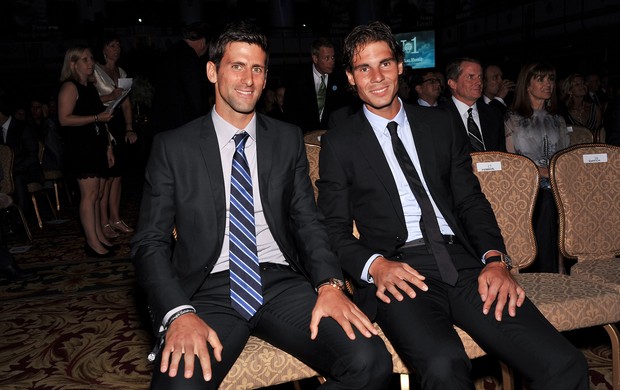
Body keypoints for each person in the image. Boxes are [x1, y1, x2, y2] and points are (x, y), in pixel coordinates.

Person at [317, 21, 588, 390]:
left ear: (399, 65)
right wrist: (375, 266)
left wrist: (495, 259)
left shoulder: (440, 123)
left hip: (463, 261)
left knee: (564, 363)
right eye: (364, 68)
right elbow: (332, 228)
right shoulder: (339, 143)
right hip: (400, 274)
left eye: (384, 63)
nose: (376, 76)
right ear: (350, 77)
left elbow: (470, 200)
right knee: (445, 367)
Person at [130, 21, 392, 390]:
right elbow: (149, 243)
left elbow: (308, 221)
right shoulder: (174, 147)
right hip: (208, 290)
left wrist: (330, 284)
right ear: (212, 71)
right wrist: (177, 312)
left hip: (281, 281)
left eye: (257, 68)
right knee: (178, 385)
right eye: (237, 66)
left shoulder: (285, 139)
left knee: (370, 360)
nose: (248, 79)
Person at [505, 61, 570, 273]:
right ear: (527, 85)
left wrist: (556, 175)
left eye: (550, 79)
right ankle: (544, 273)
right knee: (546, 202)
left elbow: (565, 157)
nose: (547, 84)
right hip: (527, 186)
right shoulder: (512, 119)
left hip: (557, 182)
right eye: (540, 79)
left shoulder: (558, 120)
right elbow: (512, 160)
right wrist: (543, 173)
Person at [57, 46, 115, 258]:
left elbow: (100, 116)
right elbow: (64, 119)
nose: (91, 62)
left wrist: (108, 146)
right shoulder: (70, 87)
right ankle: (92, 242)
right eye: (85, 59)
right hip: (80, 147)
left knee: (97, 194)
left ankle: (98, 236)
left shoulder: (89, 87)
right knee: (89, 195)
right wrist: (97, 119)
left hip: (96, 145)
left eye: (91, 58)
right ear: (73, 64)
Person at [93, 33, 137, 239]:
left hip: (118, 123)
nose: (116, 49)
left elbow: (127, 102)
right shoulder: (94, 70)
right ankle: (103, 222)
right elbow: (88, 100)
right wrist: (110, 96)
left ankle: (115, 217)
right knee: (107, 177)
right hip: (102, 123)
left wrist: (129, 127)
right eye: (112, 45)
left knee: (118, 176)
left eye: (118, 45)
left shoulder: (120, 71)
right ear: (103, 49)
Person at [150, 21, 211, 136]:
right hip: (183, 123)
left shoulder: (169, 52)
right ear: (203, 42)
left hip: (163, 121)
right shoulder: (190, 57)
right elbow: (195, 95)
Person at [284, 37, 352, 132]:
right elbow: (291, 110)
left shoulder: (341, 77)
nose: (331, 61)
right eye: (326, 58)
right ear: (315, 58)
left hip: (333, 133)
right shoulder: (298, 78)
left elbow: (345, 108)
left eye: (333, 57)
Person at [441, 57, 506, 152]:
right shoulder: (439, 117)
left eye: (480, 77)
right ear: (453, 83)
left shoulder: (493, 114)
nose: (478, 82)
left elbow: (501, 155)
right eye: (470, 77)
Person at [0, 96, 42, 211]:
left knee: (17, 178)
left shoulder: (23, 127)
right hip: (6, 172)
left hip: (26, 170)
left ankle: (20, 216)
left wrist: (11, 170)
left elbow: (32, 157)